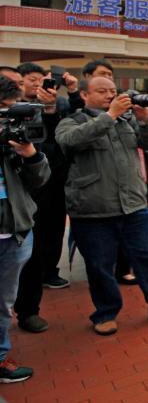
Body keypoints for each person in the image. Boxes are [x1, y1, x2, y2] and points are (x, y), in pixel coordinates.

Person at [56, 76, 148, 336]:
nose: (109, 95)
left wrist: (144, 119)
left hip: (133, 205)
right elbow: (70, 141)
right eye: (102, 91)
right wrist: (110, 116)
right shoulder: (72, 120)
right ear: (83, 95)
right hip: (93, 207)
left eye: (113, 91)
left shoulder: (126, 120)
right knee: (99, 265)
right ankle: (105, 313)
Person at [10, 63, 70, 339]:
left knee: (33, 256)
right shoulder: (9, 113)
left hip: (40, 192)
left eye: (40, 80)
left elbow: (52, 149)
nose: (36, 85)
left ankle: (28, 311)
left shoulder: (40, 113)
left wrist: (48, 112)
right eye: (30, 80)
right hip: (10, 196)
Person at [0, 76, 50, 383]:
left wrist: (31, 155)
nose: (10, 120)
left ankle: (1, 357)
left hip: (15, 232)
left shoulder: (15, 139)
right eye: (5, 111)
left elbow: (41, 179)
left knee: (3, 302)